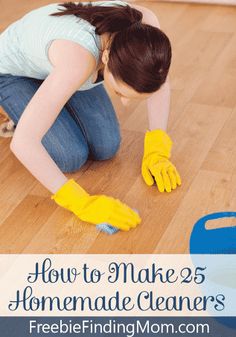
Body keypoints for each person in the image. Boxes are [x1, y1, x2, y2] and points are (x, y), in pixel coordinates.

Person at [0, 1, 181, 231]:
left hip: (59, 69)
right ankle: (11, 107)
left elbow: (159, 81)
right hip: (12, 73)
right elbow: (24, 143)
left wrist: (158, 147)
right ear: (106, 58)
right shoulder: (79, 61)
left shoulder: (146, 32)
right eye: (119, 92)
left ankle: (50, 98)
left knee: (106, 146)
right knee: (70, 156)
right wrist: (81, 203)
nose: (125, 103)